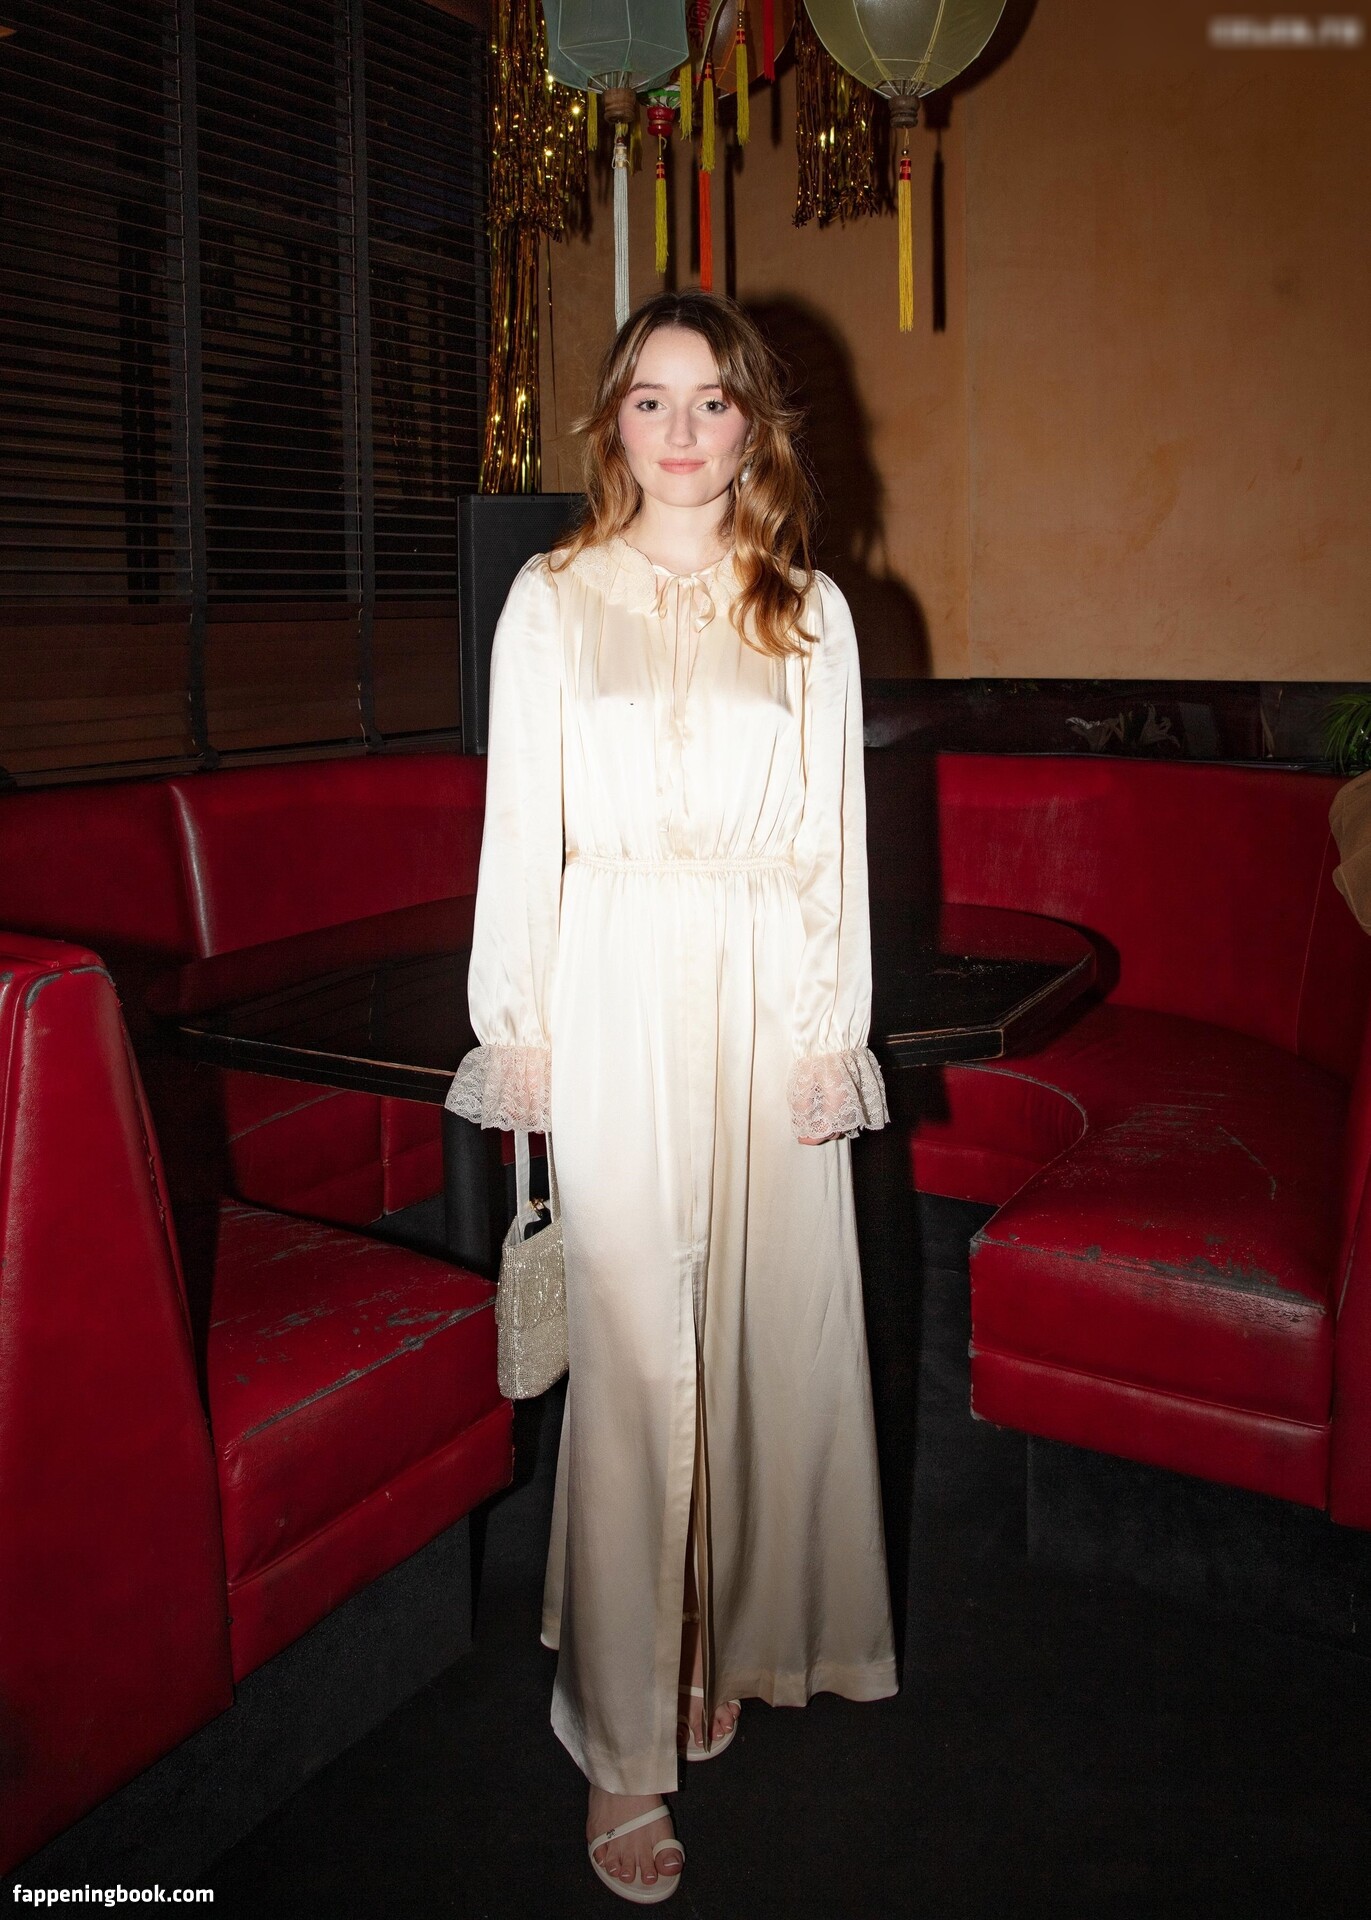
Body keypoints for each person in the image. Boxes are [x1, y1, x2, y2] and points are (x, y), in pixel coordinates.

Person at [446, 290, 896, 1903]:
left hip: (770, 994)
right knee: (638, 1358)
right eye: (653, 399)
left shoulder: (812, 612)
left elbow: (832, 844)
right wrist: (520, 1036)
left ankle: (710, 1639)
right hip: (616, 989)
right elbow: (521, 835)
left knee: (763, 1336)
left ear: (753, 421)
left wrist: (827, 1036)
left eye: (713, 400)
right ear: (612, 422)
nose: (685, 430)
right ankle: (619, 1741)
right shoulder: (553, 601)